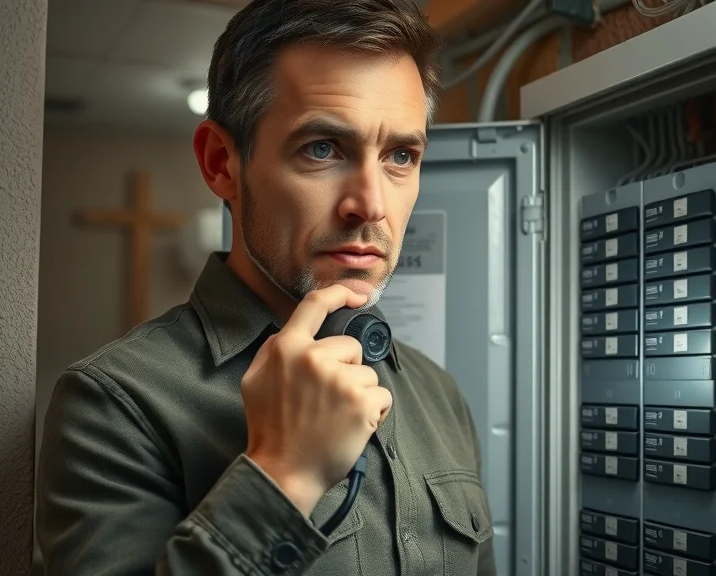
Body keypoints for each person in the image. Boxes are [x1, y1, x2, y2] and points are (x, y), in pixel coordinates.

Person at [34, 1, 497, 574]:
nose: (371, 205)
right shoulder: (114, 406)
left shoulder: (437, 393)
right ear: (221, 163)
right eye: (322, 148)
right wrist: (286, 475)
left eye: (401, 156)